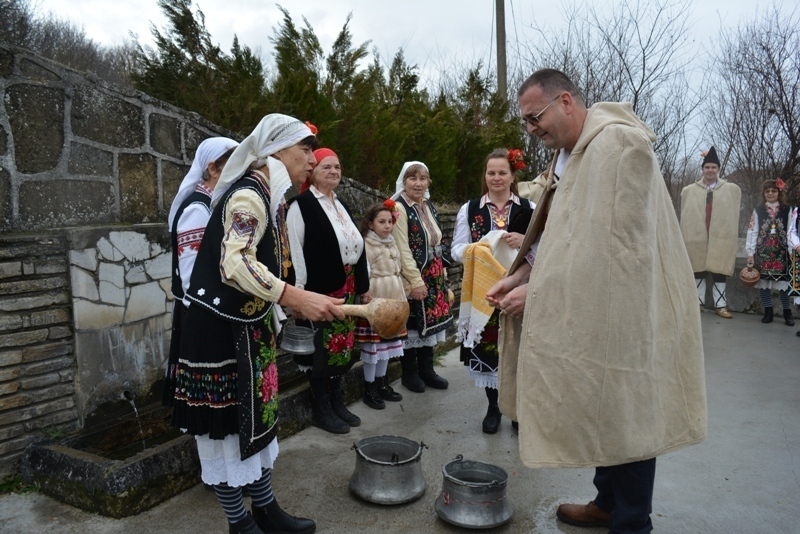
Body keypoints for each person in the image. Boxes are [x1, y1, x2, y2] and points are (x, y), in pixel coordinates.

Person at [487, 69, 707, 533]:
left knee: (626, 410)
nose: (531, 130)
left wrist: (539, 293)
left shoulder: (620, 147)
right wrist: (523, 272)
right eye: (525, 122)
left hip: (623, 312)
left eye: (535, 118)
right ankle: (606, 502)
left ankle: (631, 523)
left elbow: (618, 254)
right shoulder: (571, 154)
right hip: (590, 307)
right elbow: (566, 235)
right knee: (599, 404)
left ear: (565, 101)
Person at [172, 114, 344, 534]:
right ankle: (240, 522)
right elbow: (235, 263)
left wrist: (291, 301)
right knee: (228, 431)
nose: (310, 160)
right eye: (304, 150)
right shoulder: (248, 196)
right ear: (276, 152)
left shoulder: (267, 195)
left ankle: (266, 510)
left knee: (256, 422)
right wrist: (292, 296)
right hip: (218, 332)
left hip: (244, 327)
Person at [286, 148, 370, 434]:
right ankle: (321, 408)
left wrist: (363, 286)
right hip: (318, 290)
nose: (334, 171)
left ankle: (337, 400)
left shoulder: (340, 203)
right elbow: (294, 252)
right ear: (312, 172)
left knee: (342, 349)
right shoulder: (301, 205)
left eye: (337, 167)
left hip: (345, 288)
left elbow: (358, 247)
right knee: (321, 350)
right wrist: (297, 294)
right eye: (326, 167)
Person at [450, 148, 534, 433]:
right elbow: (456, 250)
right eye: (491, 173)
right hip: (485, 292)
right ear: (484, 177)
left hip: (521, 288)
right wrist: (482, 247)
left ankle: (518, 410)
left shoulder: (529, 208)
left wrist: (524, 239)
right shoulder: (470, 209)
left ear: (513, 176)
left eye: (502, 172)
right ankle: (494, 406)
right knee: (490, 348)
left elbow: (546, 247)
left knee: (518, 348)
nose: (496, 178)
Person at [163, 137, 238, 407]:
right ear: (213, 169)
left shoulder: (215, 205)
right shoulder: (198, 209)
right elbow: (191, 275)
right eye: (234, 164)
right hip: (203, 314)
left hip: (213, 309)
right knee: (207, 403)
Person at [391, 161, 453, 393]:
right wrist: (415, 281)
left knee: (430, 324)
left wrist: (443, 275)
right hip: (414, 275)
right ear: (403, 182)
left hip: (434, 274)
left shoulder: (427, 205)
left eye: (423, 178)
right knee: (414, 324)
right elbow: (402, 248)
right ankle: (410, 374)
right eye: (412, 178)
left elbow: (437, 240)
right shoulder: (399, 208)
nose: (418, 183)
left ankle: (427, 370)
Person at [355, 200, 407, 410]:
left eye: (390, 221)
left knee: (387, 344)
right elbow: (364, 272)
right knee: (374, 347)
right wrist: (365, 292)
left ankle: (382, 383)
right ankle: (370, 387)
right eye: (381, 222)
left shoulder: (391, 241)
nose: (387, 226)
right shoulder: (367, 244)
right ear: (370, 224)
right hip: (377, 297)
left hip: (394, 298)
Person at [679, 146, 742, 318]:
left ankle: (720, 305)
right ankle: (697, 303)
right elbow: (686, 216)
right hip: (697, 236)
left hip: (720, 236)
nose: (710, 170)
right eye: (707, 167)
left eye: (713, 167)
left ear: (719, 169)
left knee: (719, 270)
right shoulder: (689, 191)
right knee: (697, 269)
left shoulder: (731, 190)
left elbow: (731, 216)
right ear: (702, 169)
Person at [745, 179, 795, 326]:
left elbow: (791, 230)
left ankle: (787, 312)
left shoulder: (788, 210)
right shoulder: (758, 210)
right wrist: (750, 252)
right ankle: (768, 311)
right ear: (764, 193)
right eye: (767, 191)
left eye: (773, 191)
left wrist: (792, 250)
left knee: (784, 282)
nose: (770, 193)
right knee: (764, 281)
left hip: (782, 250)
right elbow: (752, 231)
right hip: (763, 250)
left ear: (779, 192)